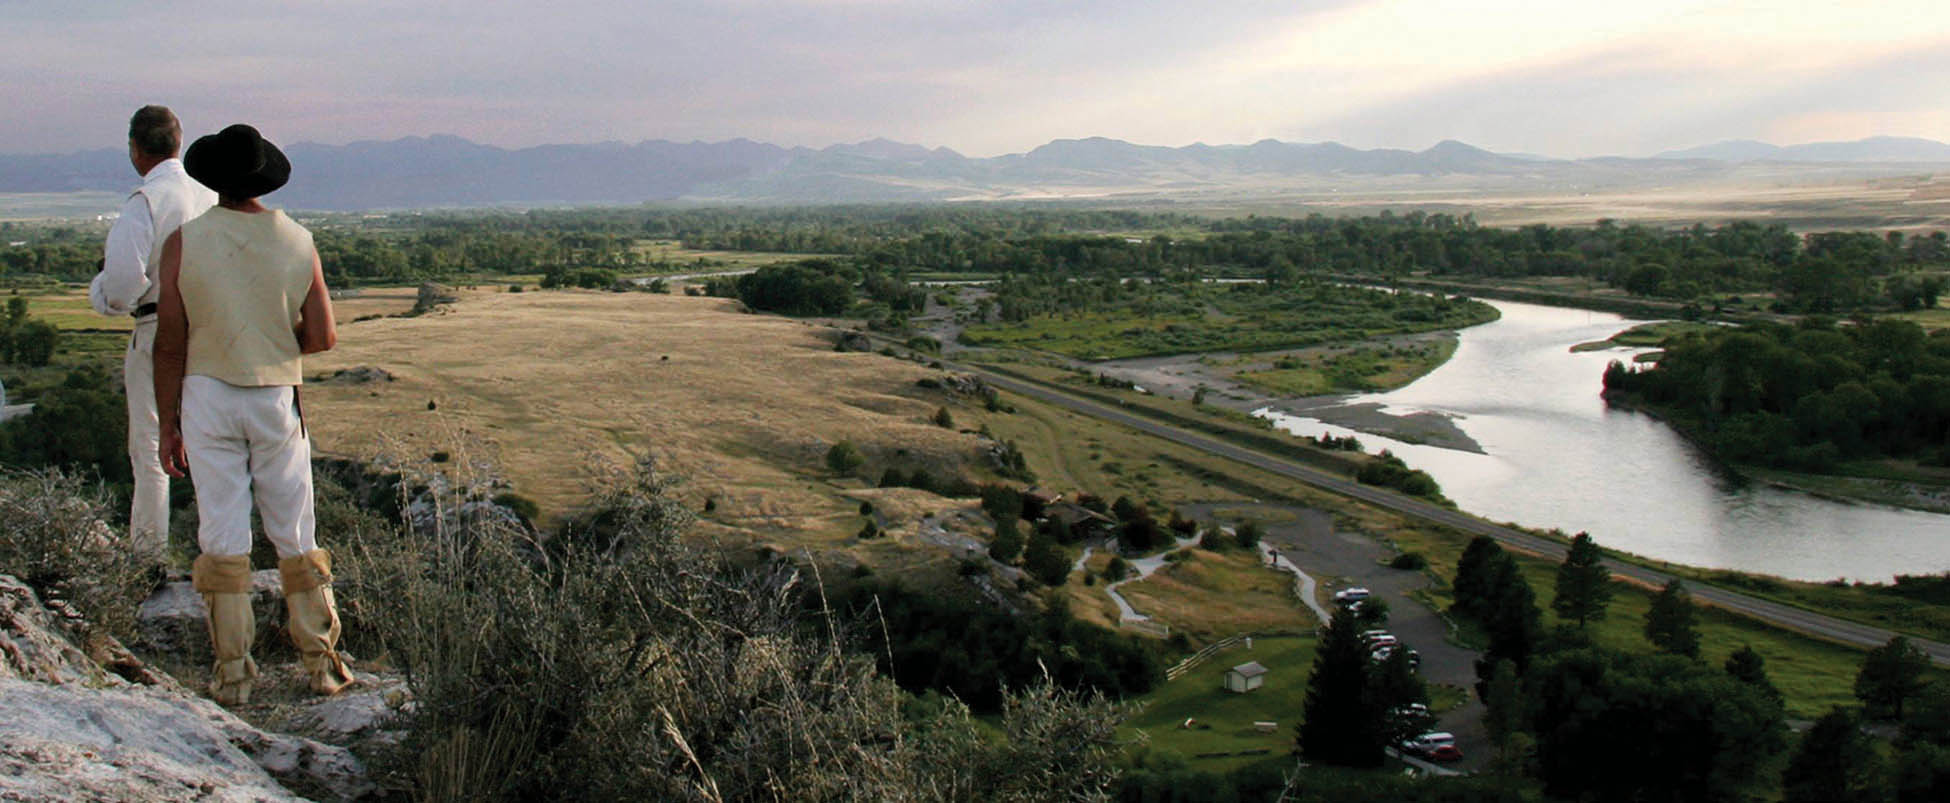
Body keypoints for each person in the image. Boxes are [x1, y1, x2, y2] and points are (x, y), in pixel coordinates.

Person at [152, 124, 353, 705]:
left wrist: (169, 421)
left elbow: (170, 341)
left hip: (206, 393)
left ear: (213, 180)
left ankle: (234, 675)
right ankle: (322, 664)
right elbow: (322, 337)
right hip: (274, 395)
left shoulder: (184, 243)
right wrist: (274, 335)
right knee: (294, 529)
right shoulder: (298, 240)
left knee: (221, 530)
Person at [89, 105, 217, 564]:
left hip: (157, 324)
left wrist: (99, 291)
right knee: (210, 442)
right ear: (178, 143)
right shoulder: (208, 195)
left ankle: (149, 558)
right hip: (210, 329)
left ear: (135, 149)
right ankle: (221, 554)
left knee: (151, 446)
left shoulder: (147, 201)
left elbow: (122, 287)